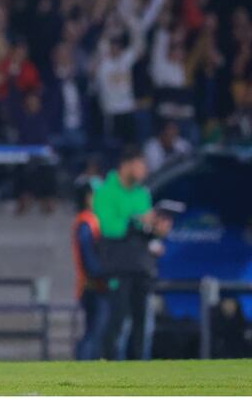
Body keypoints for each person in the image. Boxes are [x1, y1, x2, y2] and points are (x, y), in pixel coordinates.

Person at [93, 144, 153, 360]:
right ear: (126, 166)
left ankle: (136, 369)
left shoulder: (142, 193)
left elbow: (146, 231)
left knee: (140, 320)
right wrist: (136, 220)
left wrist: (156, 229)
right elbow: (108, 227)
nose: (144, 171)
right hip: (117, 264)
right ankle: (105, 361)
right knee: (117, 317)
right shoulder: (105, 191)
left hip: (140, 264)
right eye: (141, 166)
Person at [72, 178, 109, 360]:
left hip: (93, 284)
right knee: (95, 332)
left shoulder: (89, 221)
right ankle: (84, 367)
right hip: (94, 286)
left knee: (95, 331)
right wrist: (104, 274)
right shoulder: (87, 223)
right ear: (88, 197)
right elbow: (89, 258)